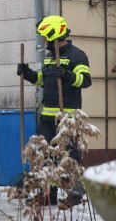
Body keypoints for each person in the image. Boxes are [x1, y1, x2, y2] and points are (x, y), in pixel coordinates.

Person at [17, 15, 91, 207]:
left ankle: (75, 194)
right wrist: (28, 74)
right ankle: (48, 194)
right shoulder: (50, 57)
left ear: (54, 34)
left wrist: (68, 75)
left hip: (67, 119)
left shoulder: (77, 55)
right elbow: (43, 80)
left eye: (45, 37)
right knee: (46, 157)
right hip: (48, 118)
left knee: (68, 157)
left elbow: (86, 80)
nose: (44, 41)